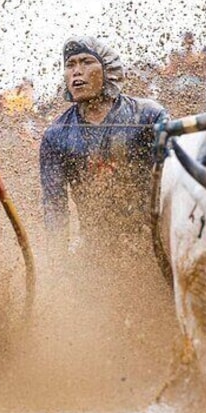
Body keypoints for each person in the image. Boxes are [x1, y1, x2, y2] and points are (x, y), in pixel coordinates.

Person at [39, 36, 168, 259]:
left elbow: (173, 183)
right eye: (70, 65)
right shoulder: (56, 135)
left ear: (108, 69)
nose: (76, 71)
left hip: (154, 241)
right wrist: (57, 261)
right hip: (95, 248)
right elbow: (54, 206)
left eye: (86, 62)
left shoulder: (148, 116)